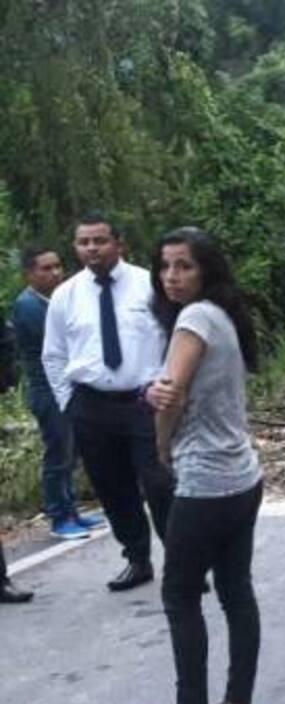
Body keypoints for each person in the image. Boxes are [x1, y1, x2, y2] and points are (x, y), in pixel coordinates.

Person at [134, 227, 264, 704]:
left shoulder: (194, 318)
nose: (172, 276)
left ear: (206, 270)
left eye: (184, 265)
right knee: (235, 589)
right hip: (242, 476)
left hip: (207, 482)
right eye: (165, 266)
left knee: (180, 592)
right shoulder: (223, 316)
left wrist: (162, 447)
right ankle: (237, 703)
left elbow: (173, 396)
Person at [42, 213, 173, 591]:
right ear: (76, 248)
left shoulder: (150, 285)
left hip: (144, 404)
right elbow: (53, 355)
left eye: (99, 240)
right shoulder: (66, 295)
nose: (91, 248)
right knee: (113, 487)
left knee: (160, 484)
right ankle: (137, 558)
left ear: (119, 243)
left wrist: (166, 390)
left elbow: (172, 339)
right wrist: (69, 403)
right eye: (84, 242)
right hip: (91, 406)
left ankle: (182, 563)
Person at [11, 246, 106, 539]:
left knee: (71, 453)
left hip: (66, 388)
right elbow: (63, 346)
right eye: (46, 268)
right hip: (47, 391)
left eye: (57, 266)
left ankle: (72, 511)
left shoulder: (56, 300)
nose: (55, 272)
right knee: (58, 455)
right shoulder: (29, 306)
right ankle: (58, 517)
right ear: (29, 273)